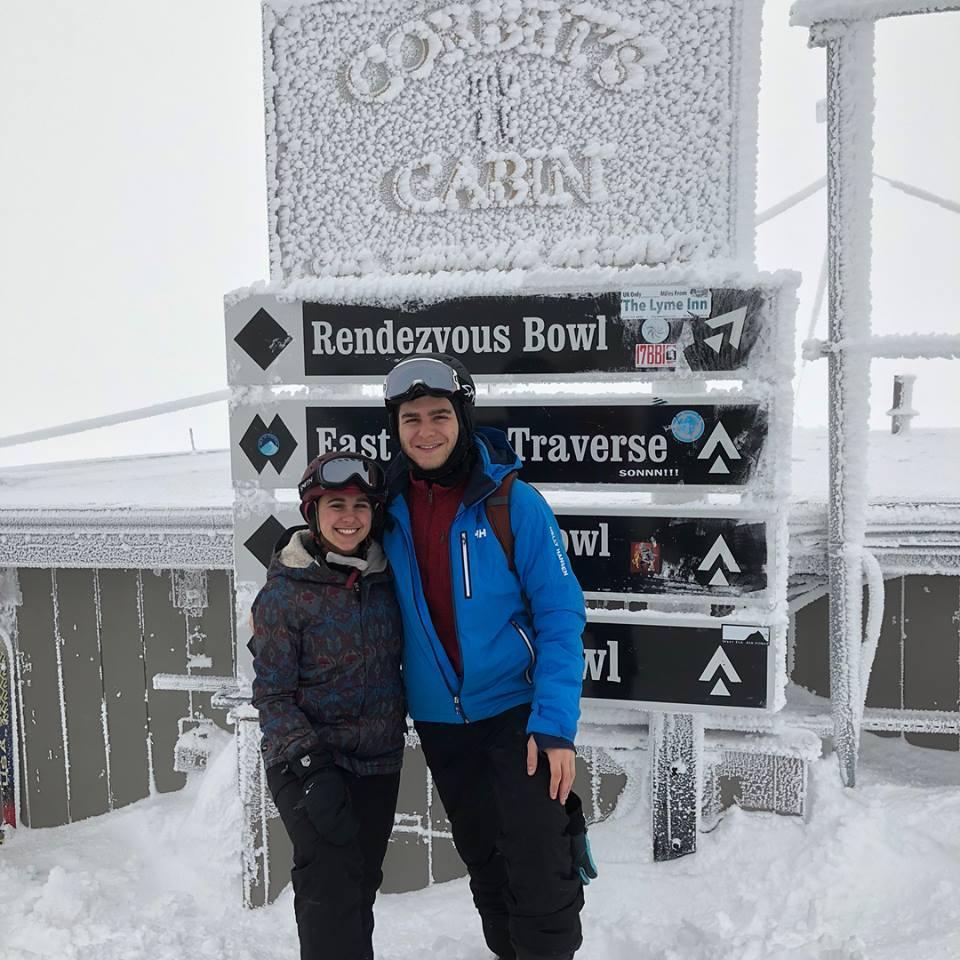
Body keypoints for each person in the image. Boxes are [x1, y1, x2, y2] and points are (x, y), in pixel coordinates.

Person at [381, 354, 595, 960]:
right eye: (412, 418)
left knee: (541, 864)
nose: (426, 431)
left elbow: (560, 613)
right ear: (396, 428)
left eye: (440, 415)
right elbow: (332, 546)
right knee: (487, 868)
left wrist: (555, 725)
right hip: (443, 725)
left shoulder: (511, 502)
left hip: (519, 716)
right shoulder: (385, 510)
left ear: (463, 419)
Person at [249, 452, 405, 960]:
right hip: (307, 760)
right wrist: (311, 765)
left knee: (359, 883)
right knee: (328, 882)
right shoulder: (284, 593)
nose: (349, 517)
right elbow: (272, 694)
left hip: (377, 759)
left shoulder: (389, 580)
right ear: (312, 512)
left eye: (361, 505)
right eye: (335, 504)